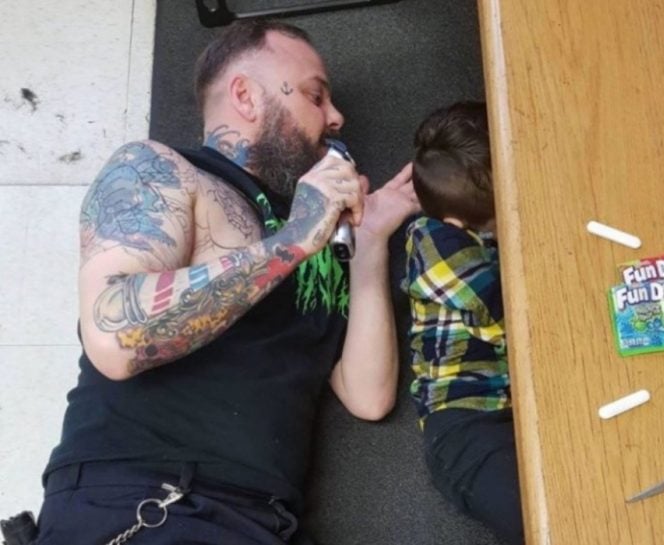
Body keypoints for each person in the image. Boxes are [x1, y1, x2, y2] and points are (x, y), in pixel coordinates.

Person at [33, 19, 419, 545]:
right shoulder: (161, 171)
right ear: (245, 95)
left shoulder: (317, 244)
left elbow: (368, 396)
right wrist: (295, 238)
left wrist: (369, 242)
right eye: (314, 96)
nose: (335, 118)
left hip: (265, 520)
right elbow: (113, 338)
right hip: (150, 503)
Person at [402, 101, 524, 545]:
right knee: (531, 515)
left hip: (524, 405)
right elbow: (504, 317)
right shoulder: (430, 239)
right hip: (465, 425)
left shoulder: (478, 223)